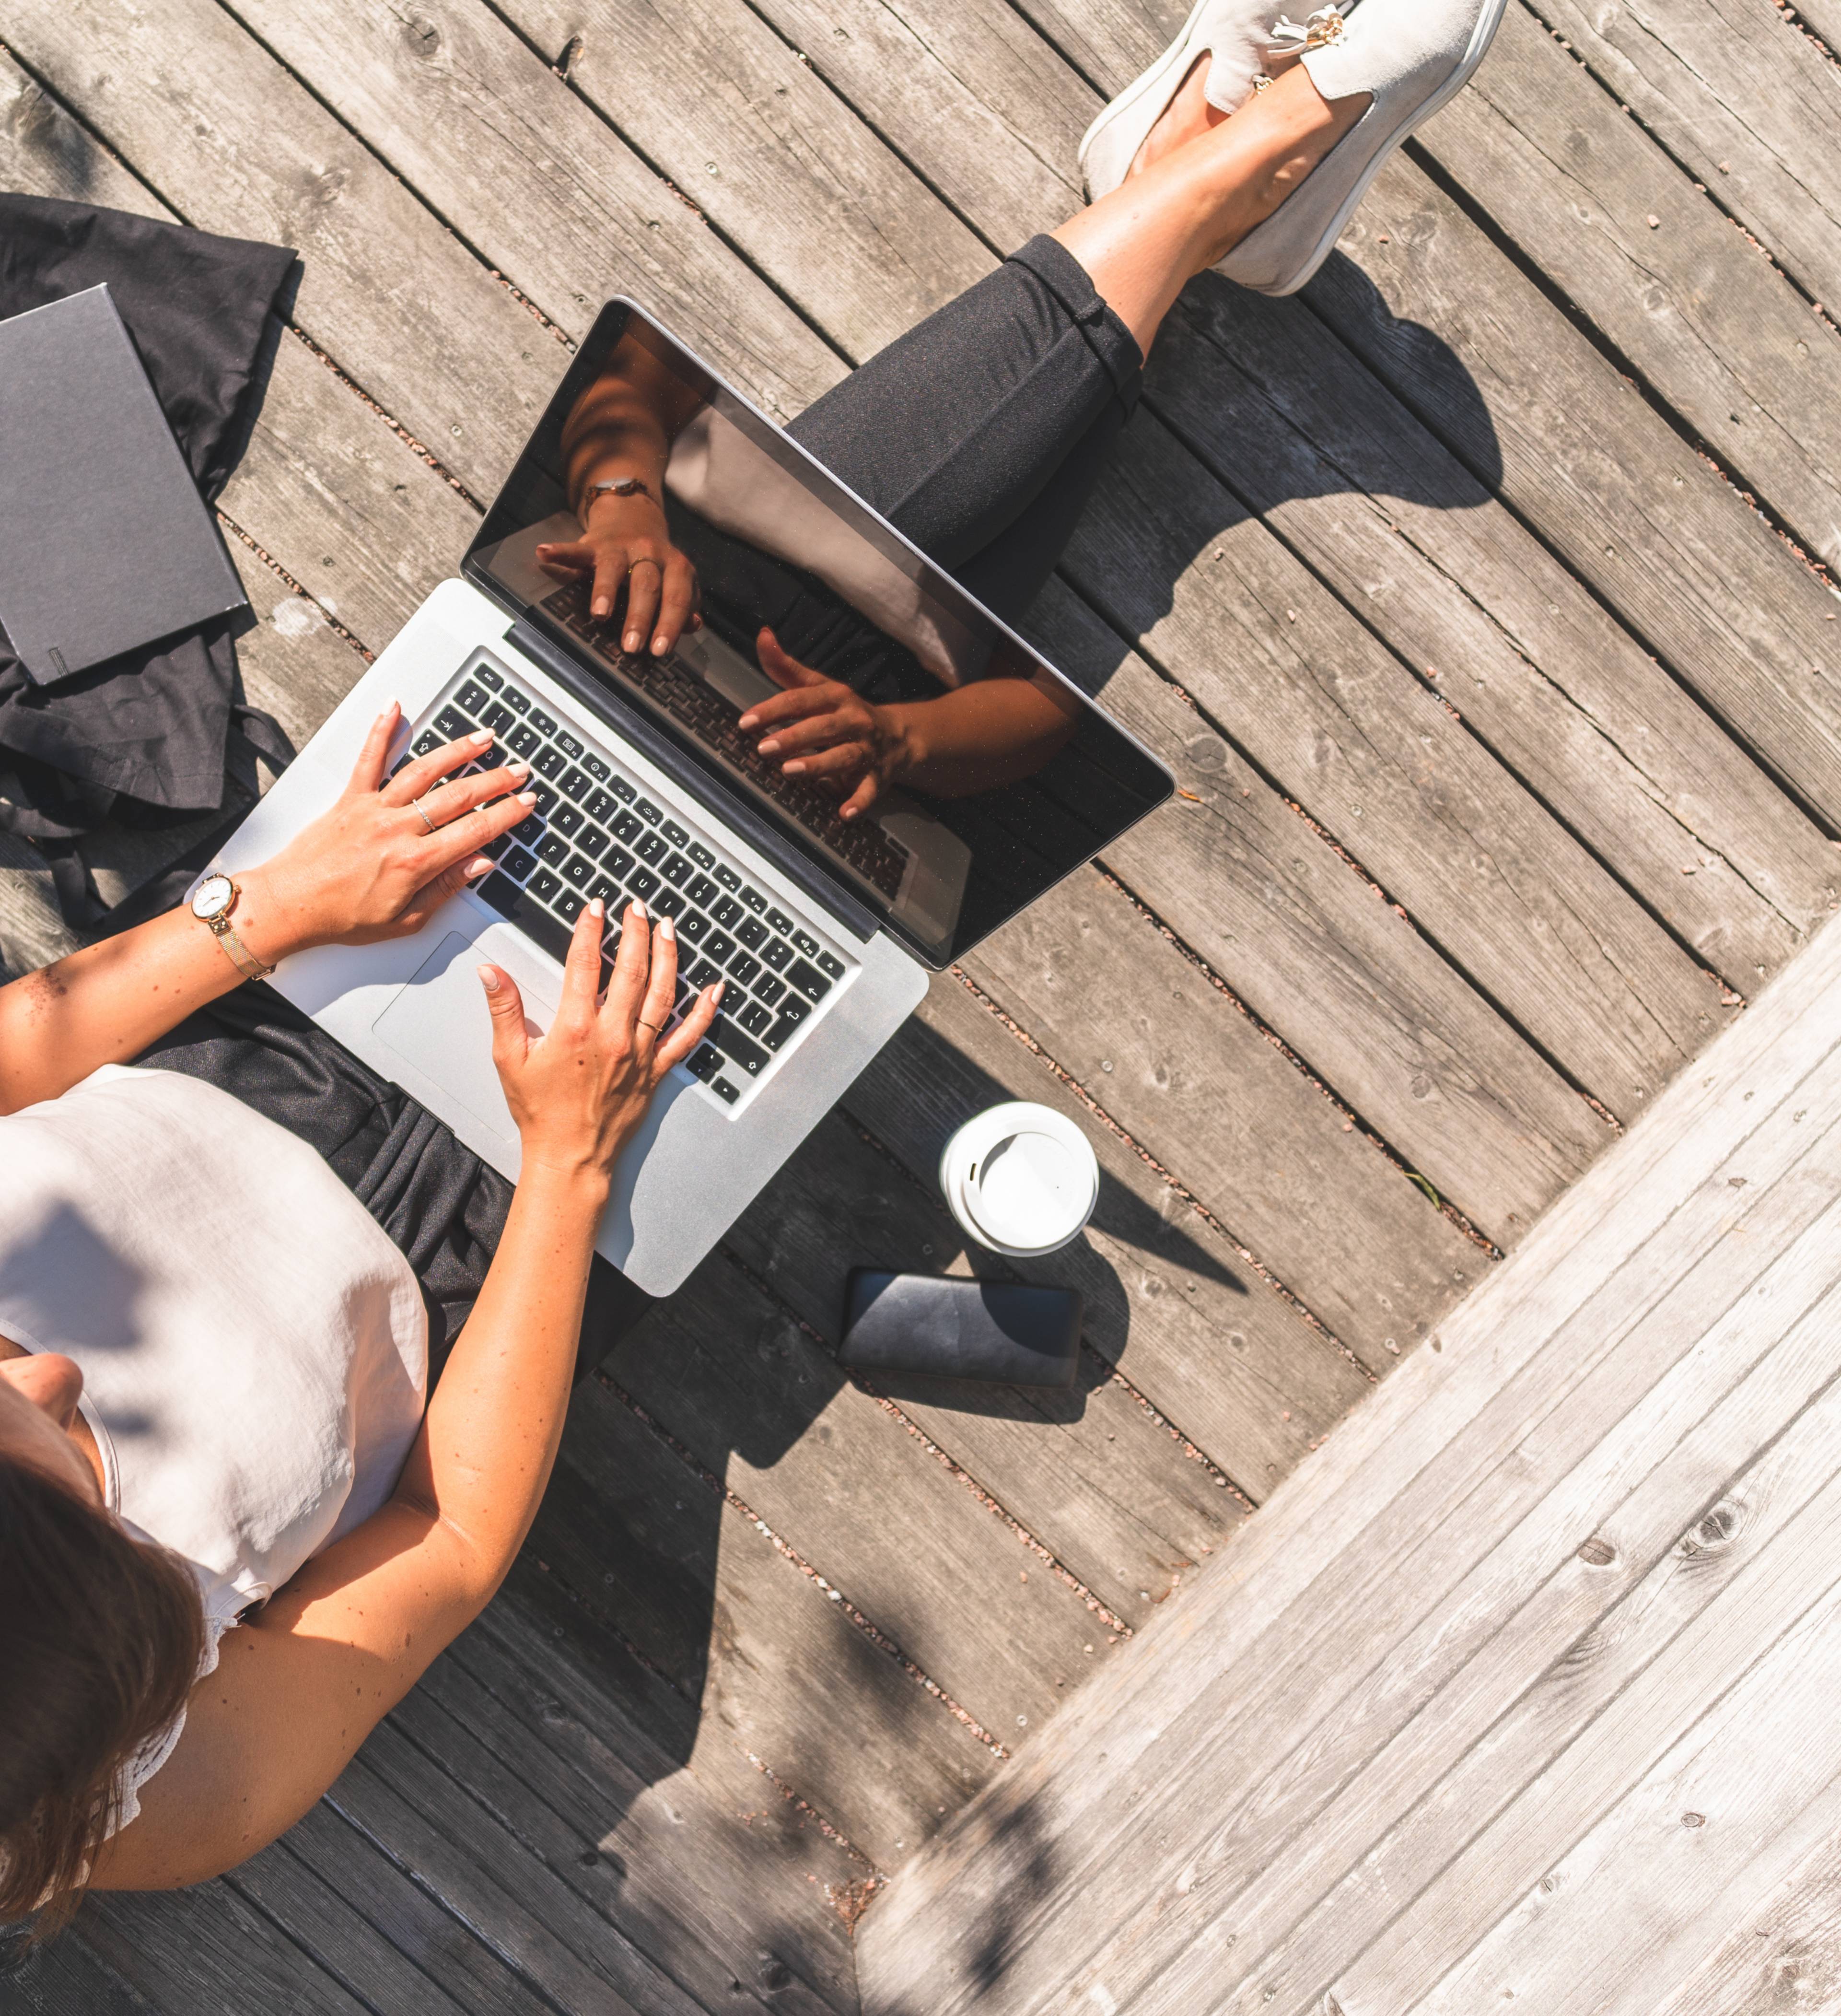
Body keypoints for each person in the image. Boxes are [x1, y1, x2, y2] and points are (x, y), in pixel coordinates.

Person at [0, 0, 1501, 1928]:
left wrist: (265, 911)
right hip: (497, 1251)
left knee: (647, 639)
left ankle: (1201, 190)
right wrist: (563, 1163)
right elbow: (445, 1545)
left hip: (261, 1007)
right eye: (58, 1443)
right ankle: (1204, 183)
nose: (40, 1353)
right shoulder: (163, 1788)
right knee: (826, 775)